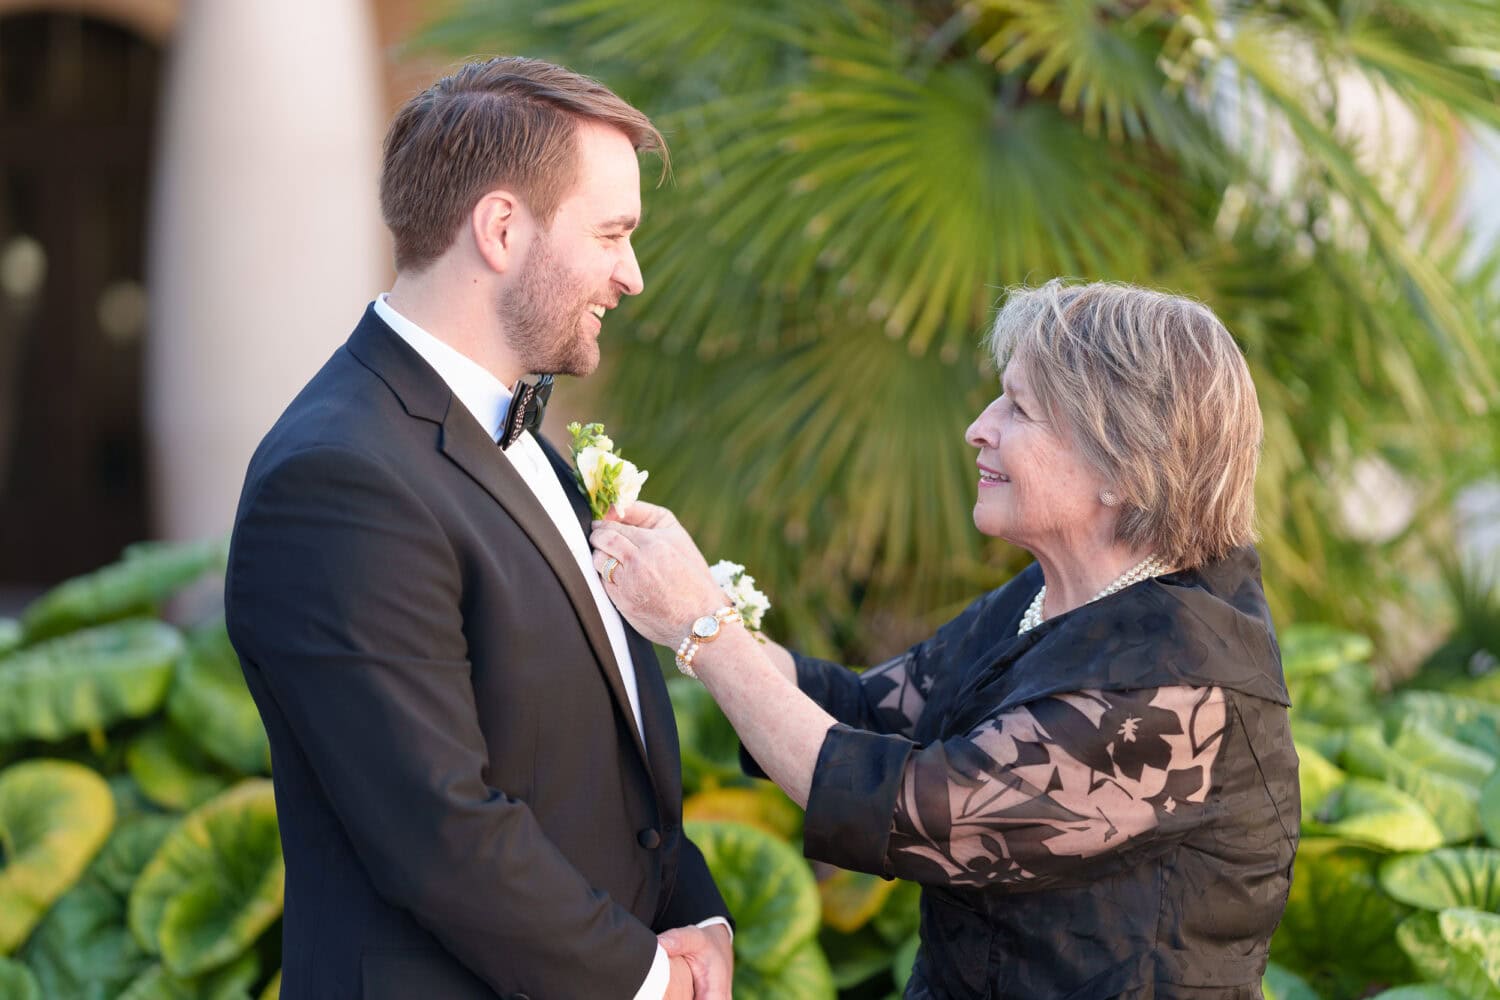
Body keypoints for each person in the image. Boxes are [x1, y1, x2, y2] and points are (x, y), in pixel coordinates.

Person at [592, 280, 1299, 999]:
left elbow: (911, 810)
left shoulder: (1179, 686)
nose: (979, 427)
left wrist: (701, 633)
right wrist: (701, 603)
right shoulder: (1054, 595)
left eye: (1020, 408)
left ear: (1121, 465)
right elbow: (859, 713)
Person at [225, 57, 732, 1000]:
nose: (634, 275)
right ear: (501, 229)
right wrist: (650, 980)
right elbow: (437, 828)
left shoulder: (529, 447)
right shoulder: (339, 478)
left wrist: (693, 916)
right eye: (614, 234)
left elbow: (600, 765)